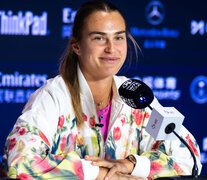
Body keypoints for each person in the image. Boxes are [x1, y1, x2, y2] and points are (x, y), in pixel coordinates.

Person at [1, 0, 202, 179]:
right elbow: (19, 164)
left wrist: (131, 165)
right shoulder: (54, 96)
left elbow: (190, 156)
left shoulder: (135, 95)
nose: (111, 48)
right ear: (76, 46)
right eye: (99, 38)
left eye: (118, 38)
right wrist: (100, 173)